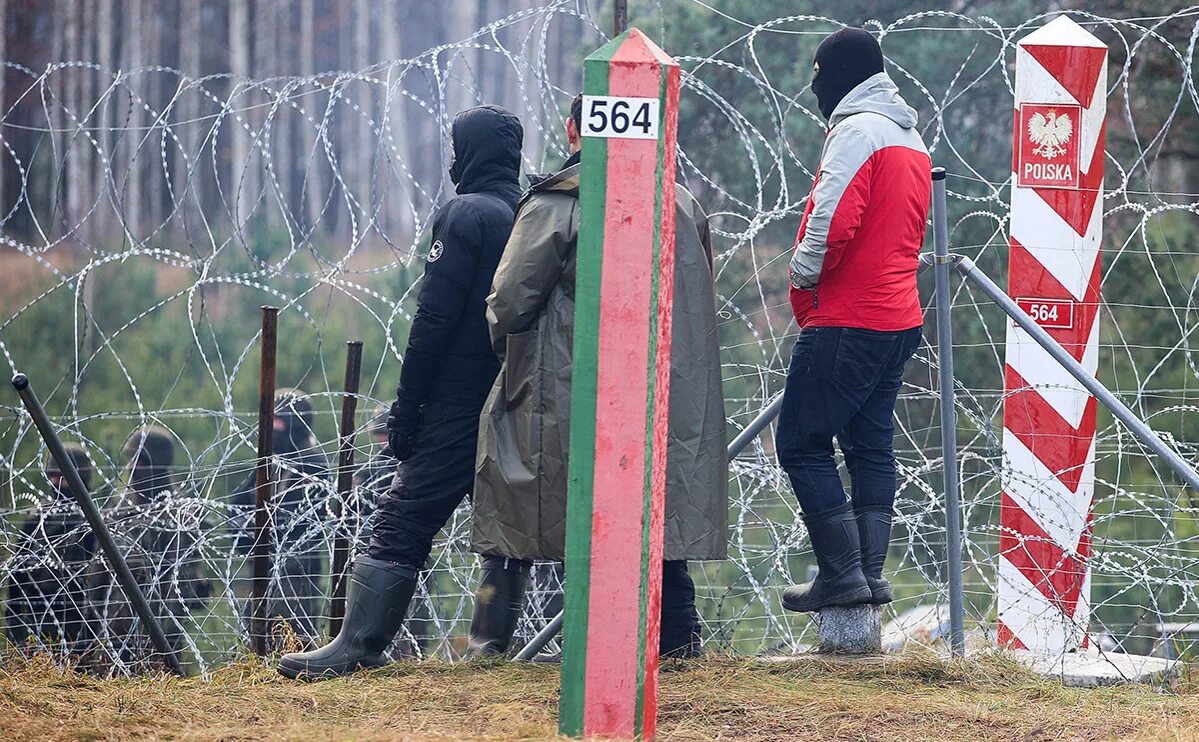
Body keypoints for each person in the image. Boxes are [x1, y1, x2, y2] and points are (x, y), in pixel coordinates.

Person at [468, 94, 728, 658]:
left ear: (571, 130)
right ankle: (679, 644)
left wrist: (511, 355)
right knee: (655, 516)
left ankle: (488, 646)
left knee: (519, 503)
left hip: (561, 392)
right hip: (660, 391)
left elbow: (509, 303)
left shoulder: (558, 203)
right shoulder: (680, 203)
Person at [277, 104, 524, 679]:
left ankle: (358, 645)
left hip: (456, 398)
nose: (452, 157)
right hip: (514, 393)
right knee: (505, 523)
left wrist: (408, 406)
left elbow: (434, 320)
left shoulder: (466, 215)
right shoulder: (529, 212)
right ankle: (491, 649)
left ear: (471, 152)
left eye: (457, 146)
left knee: (403, 519)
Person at [776, 28, 930, 613]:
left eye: (819, 77)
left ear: (838, 77)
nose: (816, 91)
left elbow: (832, 219)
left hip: (850, 317)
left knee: (801, 443)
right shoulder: (910, 139)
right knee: (869, 445)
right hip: (898, 317)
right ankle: (867, 575)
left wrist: (802, 273)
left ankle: (841, 575)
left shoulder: (855, 132)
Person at [87, 426, 211, 665]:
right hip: (117, 631)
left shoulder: (182, 516)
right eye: (131, 459)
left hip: (163, 637)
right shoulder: (119, 513)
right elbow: (97, 576)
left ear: (160, 464)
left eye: (141, 461)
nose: (133, 466)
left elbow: (188, 582)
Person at [233, 390, 330, 646]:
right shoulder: (272, 461)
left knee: (293, 637)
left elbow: (297, 518)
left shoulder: (312, 463)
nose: (270, 427)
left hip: (295, 569)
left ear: (294, 424)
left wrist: (261, 531)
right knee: (256, 634)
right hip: (265, 563)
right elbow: (240, 503)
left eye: (277, 420)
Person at [4, 447, 97, 651]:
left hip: (79, 622)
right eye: (53, 477)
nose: (56, 483)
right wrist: (16, 626)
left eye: (63, 477)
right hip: (38, 619)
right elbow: (18, 574)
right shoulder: (37, 519)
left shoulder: (94, 522)